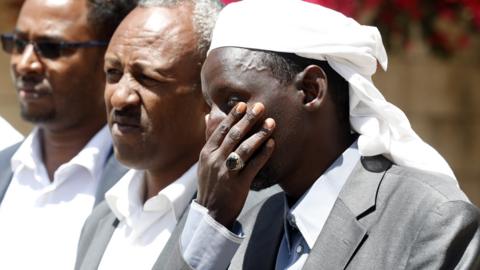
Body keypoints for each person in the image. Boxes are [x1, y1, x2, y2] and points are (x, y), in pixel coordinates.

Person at [168, 1, 480, 269]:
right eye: (211, 106)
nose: (213, 126)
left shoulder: (430, 219)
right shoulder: (248, 222)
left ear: (310, 90)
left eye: (233, 103)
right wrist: (212, 221)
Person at [74, 0, 225, 269]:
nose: (120, 97)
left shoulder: (245, 223)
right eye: (113, 73)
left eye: (147, 78)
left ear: (209, 94)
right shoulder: (102, 219)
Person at [0, 0, 136, 269]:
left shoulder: (139, 183)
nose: (25, 64)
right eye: (17, 43)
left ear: (109, 58)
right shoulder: (5, 168)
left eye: (51, 48)